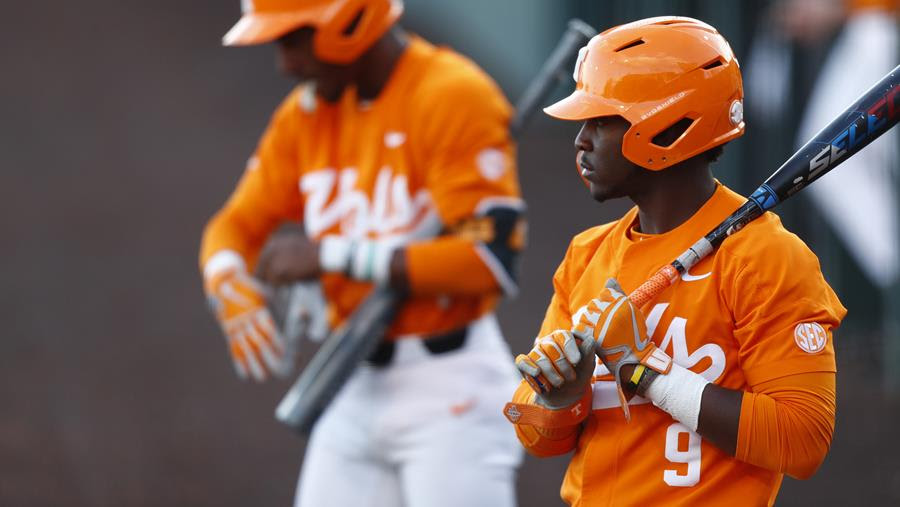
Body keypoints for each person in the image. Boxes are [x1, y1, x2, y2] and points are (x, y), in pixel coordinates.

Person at [504, 16, 846, 506]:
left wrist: (646, 372)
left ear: (667, 126)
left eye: (601, 121)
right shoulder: (588, 254)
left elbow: (803, 439)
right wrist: (559, 396)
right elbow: (538, 438)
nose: (581, 140)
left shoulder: (764, 256)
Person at [199, 1, 525, 505]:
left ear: (348, 21)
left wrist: (336, 256)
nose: (285, 63)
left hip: (450, 393)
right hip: (352, 384)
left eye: (293, 40)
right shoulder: (308, 115)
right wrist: (227, 283)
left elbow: (487, 262)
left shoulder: (452, 93)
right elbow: (233, 226)